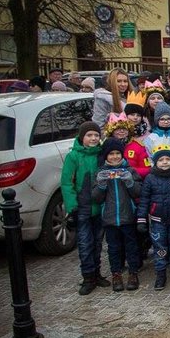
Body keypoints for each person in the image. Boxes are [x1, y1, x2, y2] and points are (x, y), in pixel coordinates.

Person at [61, 121, 107, 296]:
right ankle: (87, 277)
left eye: (96, 135)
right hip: (82, 207)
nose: (93, 138)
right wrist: (72, 206)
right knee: (85, 243)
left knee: (97, 242)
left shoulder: (100, 155)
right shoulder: (74, 157)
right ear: (82, 137)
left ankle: (97, 273)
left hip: (99, 206)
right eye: (89, 135)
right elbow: (66, 183)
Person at [92, 137, 143, 292]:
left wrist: (130, 183)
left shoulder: (129, 170)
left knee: (131, 246)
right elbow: (96, 197)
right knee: (113, 248)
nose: (114, 157)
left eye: (117, 153)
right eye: (111, 154)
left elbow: (138, 192)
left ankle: (133, 272)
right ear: (105, 156)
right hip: (109, 218)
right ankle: (116, 274)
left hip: (128, 215)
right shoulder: (100, 173)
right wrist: (100, 186)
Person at [137, 144, 170, 290]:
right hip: (157, 221)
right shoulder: (150, 179)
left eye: (167, 159)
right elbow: (145, 200)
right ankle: (161, 273)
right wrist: (141, 219)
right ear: (155, 162)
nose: (164, 162)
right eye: (161, 160)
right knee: (160, 248)